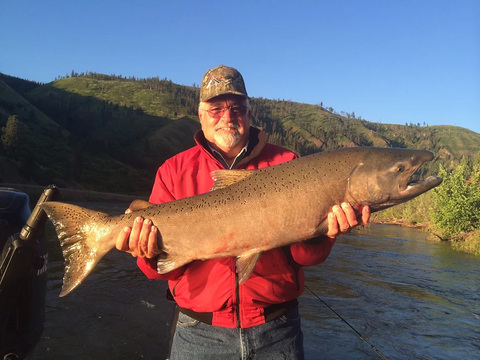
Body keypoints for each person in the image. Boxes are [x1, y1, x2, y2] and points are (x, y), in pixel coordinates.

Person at [116, 65, 370, 359]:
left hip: (278, 331)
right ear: (200, 115)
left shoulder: (287, 162)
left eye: (236, 107)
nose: (227, 117)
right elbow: (159, 271)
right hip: (199, 334)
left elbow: (306, 257)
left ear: (249, 113)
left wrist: (324, 233)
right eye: (216, 109)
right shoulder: (173, 171)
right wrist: (145, 252)